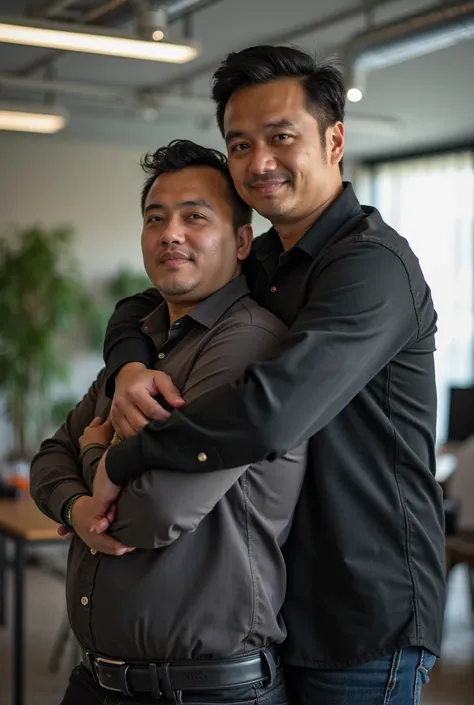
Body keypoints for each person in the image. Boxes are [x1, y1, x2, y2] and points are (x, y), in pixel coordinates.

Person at [91, 46, 446, 705]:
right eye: (240, 144)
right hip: (275, 601)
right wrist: (128, 365)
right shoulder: (267, 264)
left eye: (281, 138)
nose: (259, 163)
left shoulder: (371, 267)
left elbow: (271, 413)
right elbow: (138, 306)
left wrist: (131, 454)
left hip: (361, 611)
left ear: (334, 139)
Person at [30, 139, 307, 705]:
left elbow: (154, 512)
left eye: (194, 218)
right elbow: (47, 457)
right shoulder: (142, 346)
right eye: (156, 218)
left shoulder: (246, 341)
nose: (169, 234)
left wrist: (92, 455)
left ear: (241, 242)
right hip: (99, 681)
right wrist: (79, 508)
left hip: (204, 691)